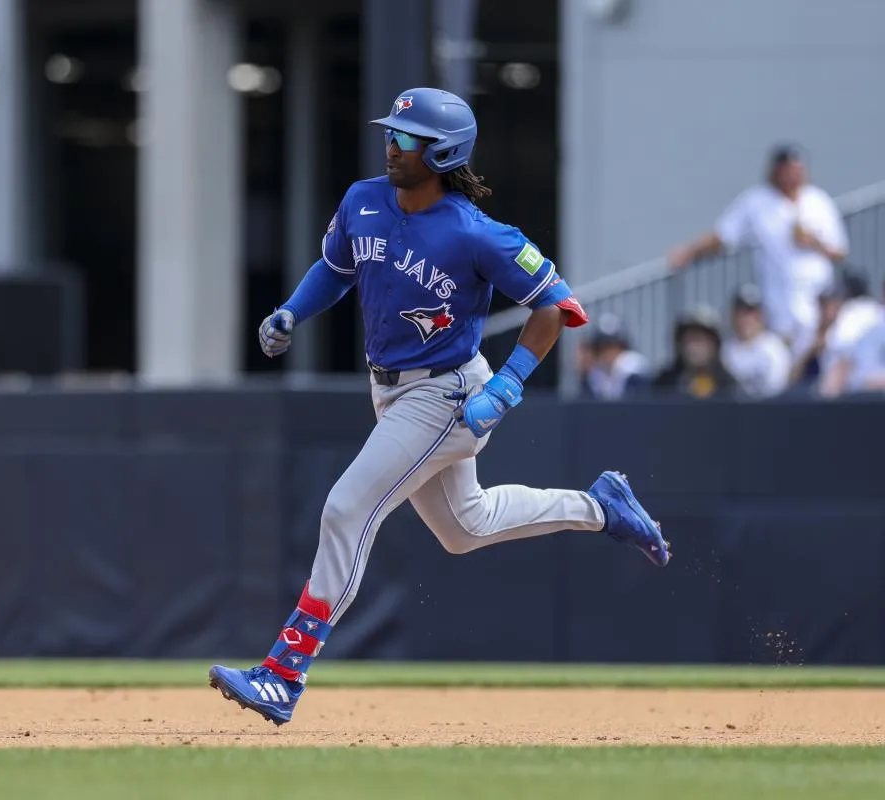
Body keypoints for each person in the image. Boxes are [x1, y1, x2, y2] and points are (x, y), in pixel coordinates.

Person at [208, 88, 671, 727]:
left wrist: (508, 384)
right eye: (393, 133)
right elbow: (335, 268)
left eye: (406, 138)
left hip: (445, 394)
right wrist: (292, 309)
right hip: (390, 388)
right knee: (465, 528)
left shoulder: (477, 233)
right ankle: (601, 506)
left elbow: (556, 305)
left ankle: (283, 674)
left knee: (347, 508)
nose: (391, 145)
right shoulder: (362, 199)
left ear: (443, 152)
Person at [667, 144, 848, 355]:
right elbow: (723, 235)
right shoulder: (756, 201)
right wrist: (689, 252)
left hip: (819, 311)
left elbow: (840, 251)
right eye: (787, 170)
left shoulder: (819, 201)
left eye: (797, 170)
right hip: (779, 312)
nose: (792, 176)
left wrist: (813, 241)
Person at [721, 284, 792, 399]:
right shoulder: (724, 350)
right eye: (740, 313)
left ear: (761, 316)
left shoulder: (775, 348)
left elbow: (778, 389)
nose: (745, 319)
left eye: (751, 313)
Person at [652, 307, 739, 400]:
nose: (694, 348)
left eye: (700, 340)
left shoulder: (727, 384)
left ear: (714, 345)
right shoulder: (665, 382)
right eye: (689, 340)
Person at [577, 313, 651, 400]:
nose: (605, 353)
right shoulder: (595, 375)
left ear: (622, 347)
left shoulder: (635, 371)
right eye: (599, 348)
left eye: (610, 346)